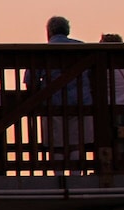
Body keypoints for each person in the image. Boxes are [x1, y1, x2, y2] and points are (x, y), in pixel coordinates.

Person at [27, 16, 94, 173]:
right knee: (76, 143)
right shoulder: (82, 48)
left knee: (56, 145)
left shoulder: (42, 52)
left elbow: (31, 80)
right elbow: (92, 75)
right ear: (68, 31)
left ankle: (58, 176)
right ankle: (77, 176)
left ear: (49, 32)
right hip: (81, 102)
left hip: (53, 103)